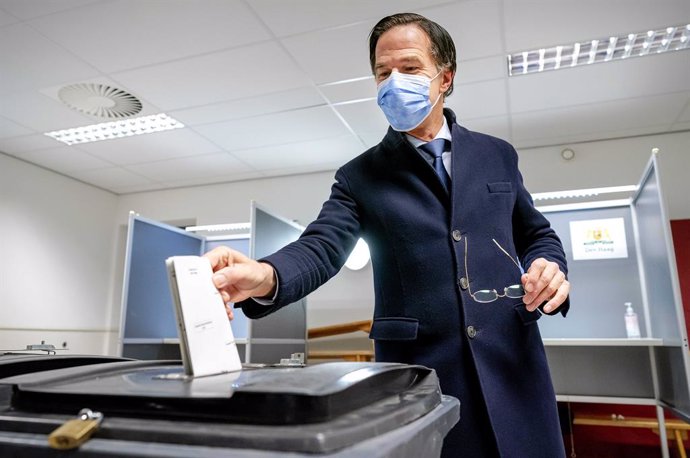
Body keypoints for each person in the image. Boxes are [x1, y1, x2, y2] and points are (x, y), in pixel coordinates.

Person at [205, 12, 570, 458]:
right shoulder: (361, 175)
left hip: (512, 363)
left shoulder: (497, 155)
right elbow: (322, 246)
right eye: (383, 72)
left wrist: (548, 266)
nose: (394, 81)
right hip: (421, 375)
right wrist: (265, 274)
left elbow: (538, 235)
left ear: (445, 78)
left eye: (410, 68)